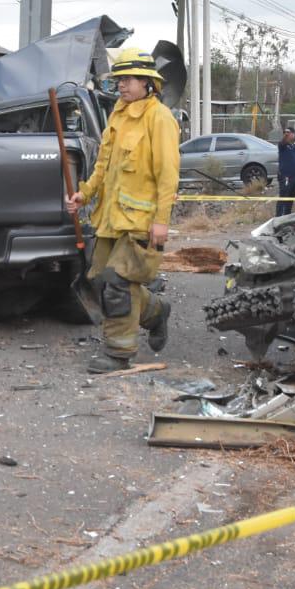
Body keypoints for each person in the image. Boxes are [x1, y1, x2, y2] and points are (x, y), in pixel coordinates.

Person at [65, 49, 180, 373]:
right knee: (103, 281)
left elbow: (168, 174)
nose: (121, 85)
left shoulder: (159, 118)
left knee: (117, 282)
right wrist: (83, 194)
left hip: (140, 222)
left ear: (147, 83)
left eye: (127, 79)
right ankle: (157, 312)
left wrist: (161, 222)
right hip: (112, 218)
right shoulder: (118, 114)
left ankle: (118, 353)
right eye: (119, 80)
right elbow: (103, 166)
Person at [274, 126, 295, 216]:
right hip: (286, 176)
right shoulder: (283, 145)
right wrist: (286, 135)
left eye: (289, 133)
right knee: (284, 197)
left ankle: (287, 216)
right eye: (285, 133)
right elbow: (282, 142)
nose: (286, 134)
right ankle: (278, 218)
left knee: (291, 198)